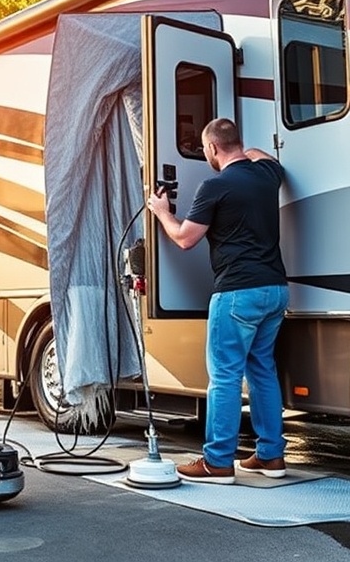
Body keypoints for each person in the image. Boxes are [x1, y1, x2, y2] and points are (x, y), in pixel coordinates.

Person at [145, 117, 289, 484]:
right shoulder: (268, 175)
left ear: (211, 149)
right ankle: (271, 456)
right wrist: (245, 150)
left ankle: (218, 462)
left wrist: (163, 212)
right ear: (239, 144)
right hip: (274, 289)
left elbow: (184, 238)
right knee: (262, 371)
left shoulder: (215, 186)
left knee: (224, 376)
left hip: (237, 292)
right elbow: (263, 157)